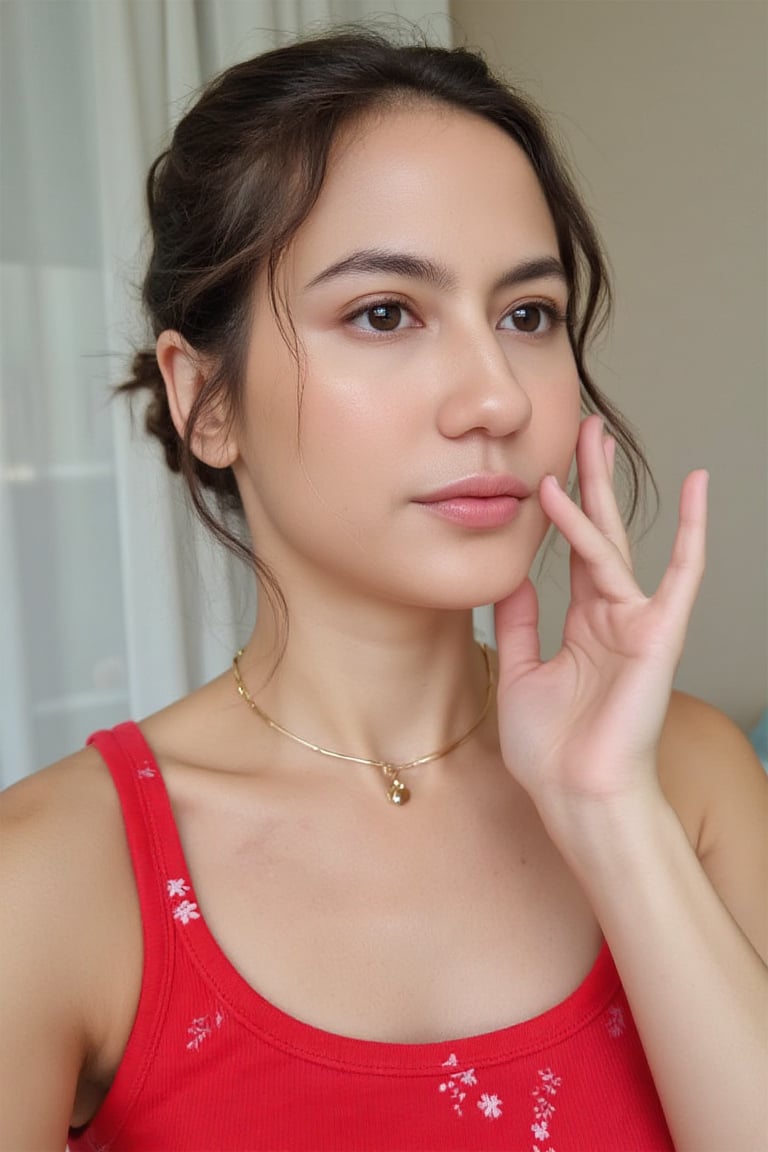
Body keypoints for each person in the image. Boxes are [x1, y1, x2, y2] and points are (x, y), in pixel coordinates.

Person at [1, 26, 766, 1152]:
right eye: (385, 314)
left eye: (527, 315)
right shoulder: (52, 878)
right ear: (204, 398)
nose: (496, 397)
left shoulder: (688, 779)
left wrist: (611, 814)